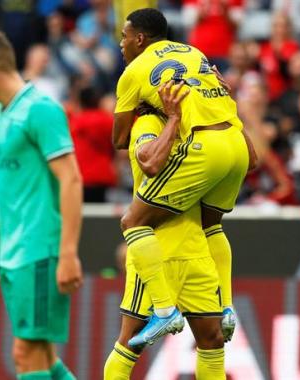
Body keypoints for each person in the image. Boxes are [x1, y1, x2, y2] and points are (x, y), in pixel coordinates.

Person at [113, 8, 256, 347]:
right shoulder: (195, 53)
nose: (121, 43)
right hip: (237, 144)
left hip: (204, 146)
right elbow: (252, 157)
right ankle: (226, 306)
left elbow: (119, 139)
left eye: (124, 36)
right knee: (212, 225)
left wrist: (158, 112)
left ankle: (163, 311)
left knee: (133, 221)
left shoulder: (133, 71)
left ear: (139, 39)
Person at [0, 30, 83, 380]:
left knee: (25, 353)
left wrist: (69, 252)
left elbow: (71, 179)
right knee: (41, 354)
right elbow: (2, 185)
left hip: (40, 250)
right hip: (12, 252)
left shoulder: (40, 110)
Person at [104, 83, 226, 380]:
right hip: (155, 250)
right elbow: (152, 163)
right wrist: (172, 119)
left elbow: (248, 158)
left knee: (212, 341)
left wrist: (225, 104)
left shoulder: (197, 126)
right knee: (129, 344)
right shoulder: (146, 124)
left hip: (194, 249)